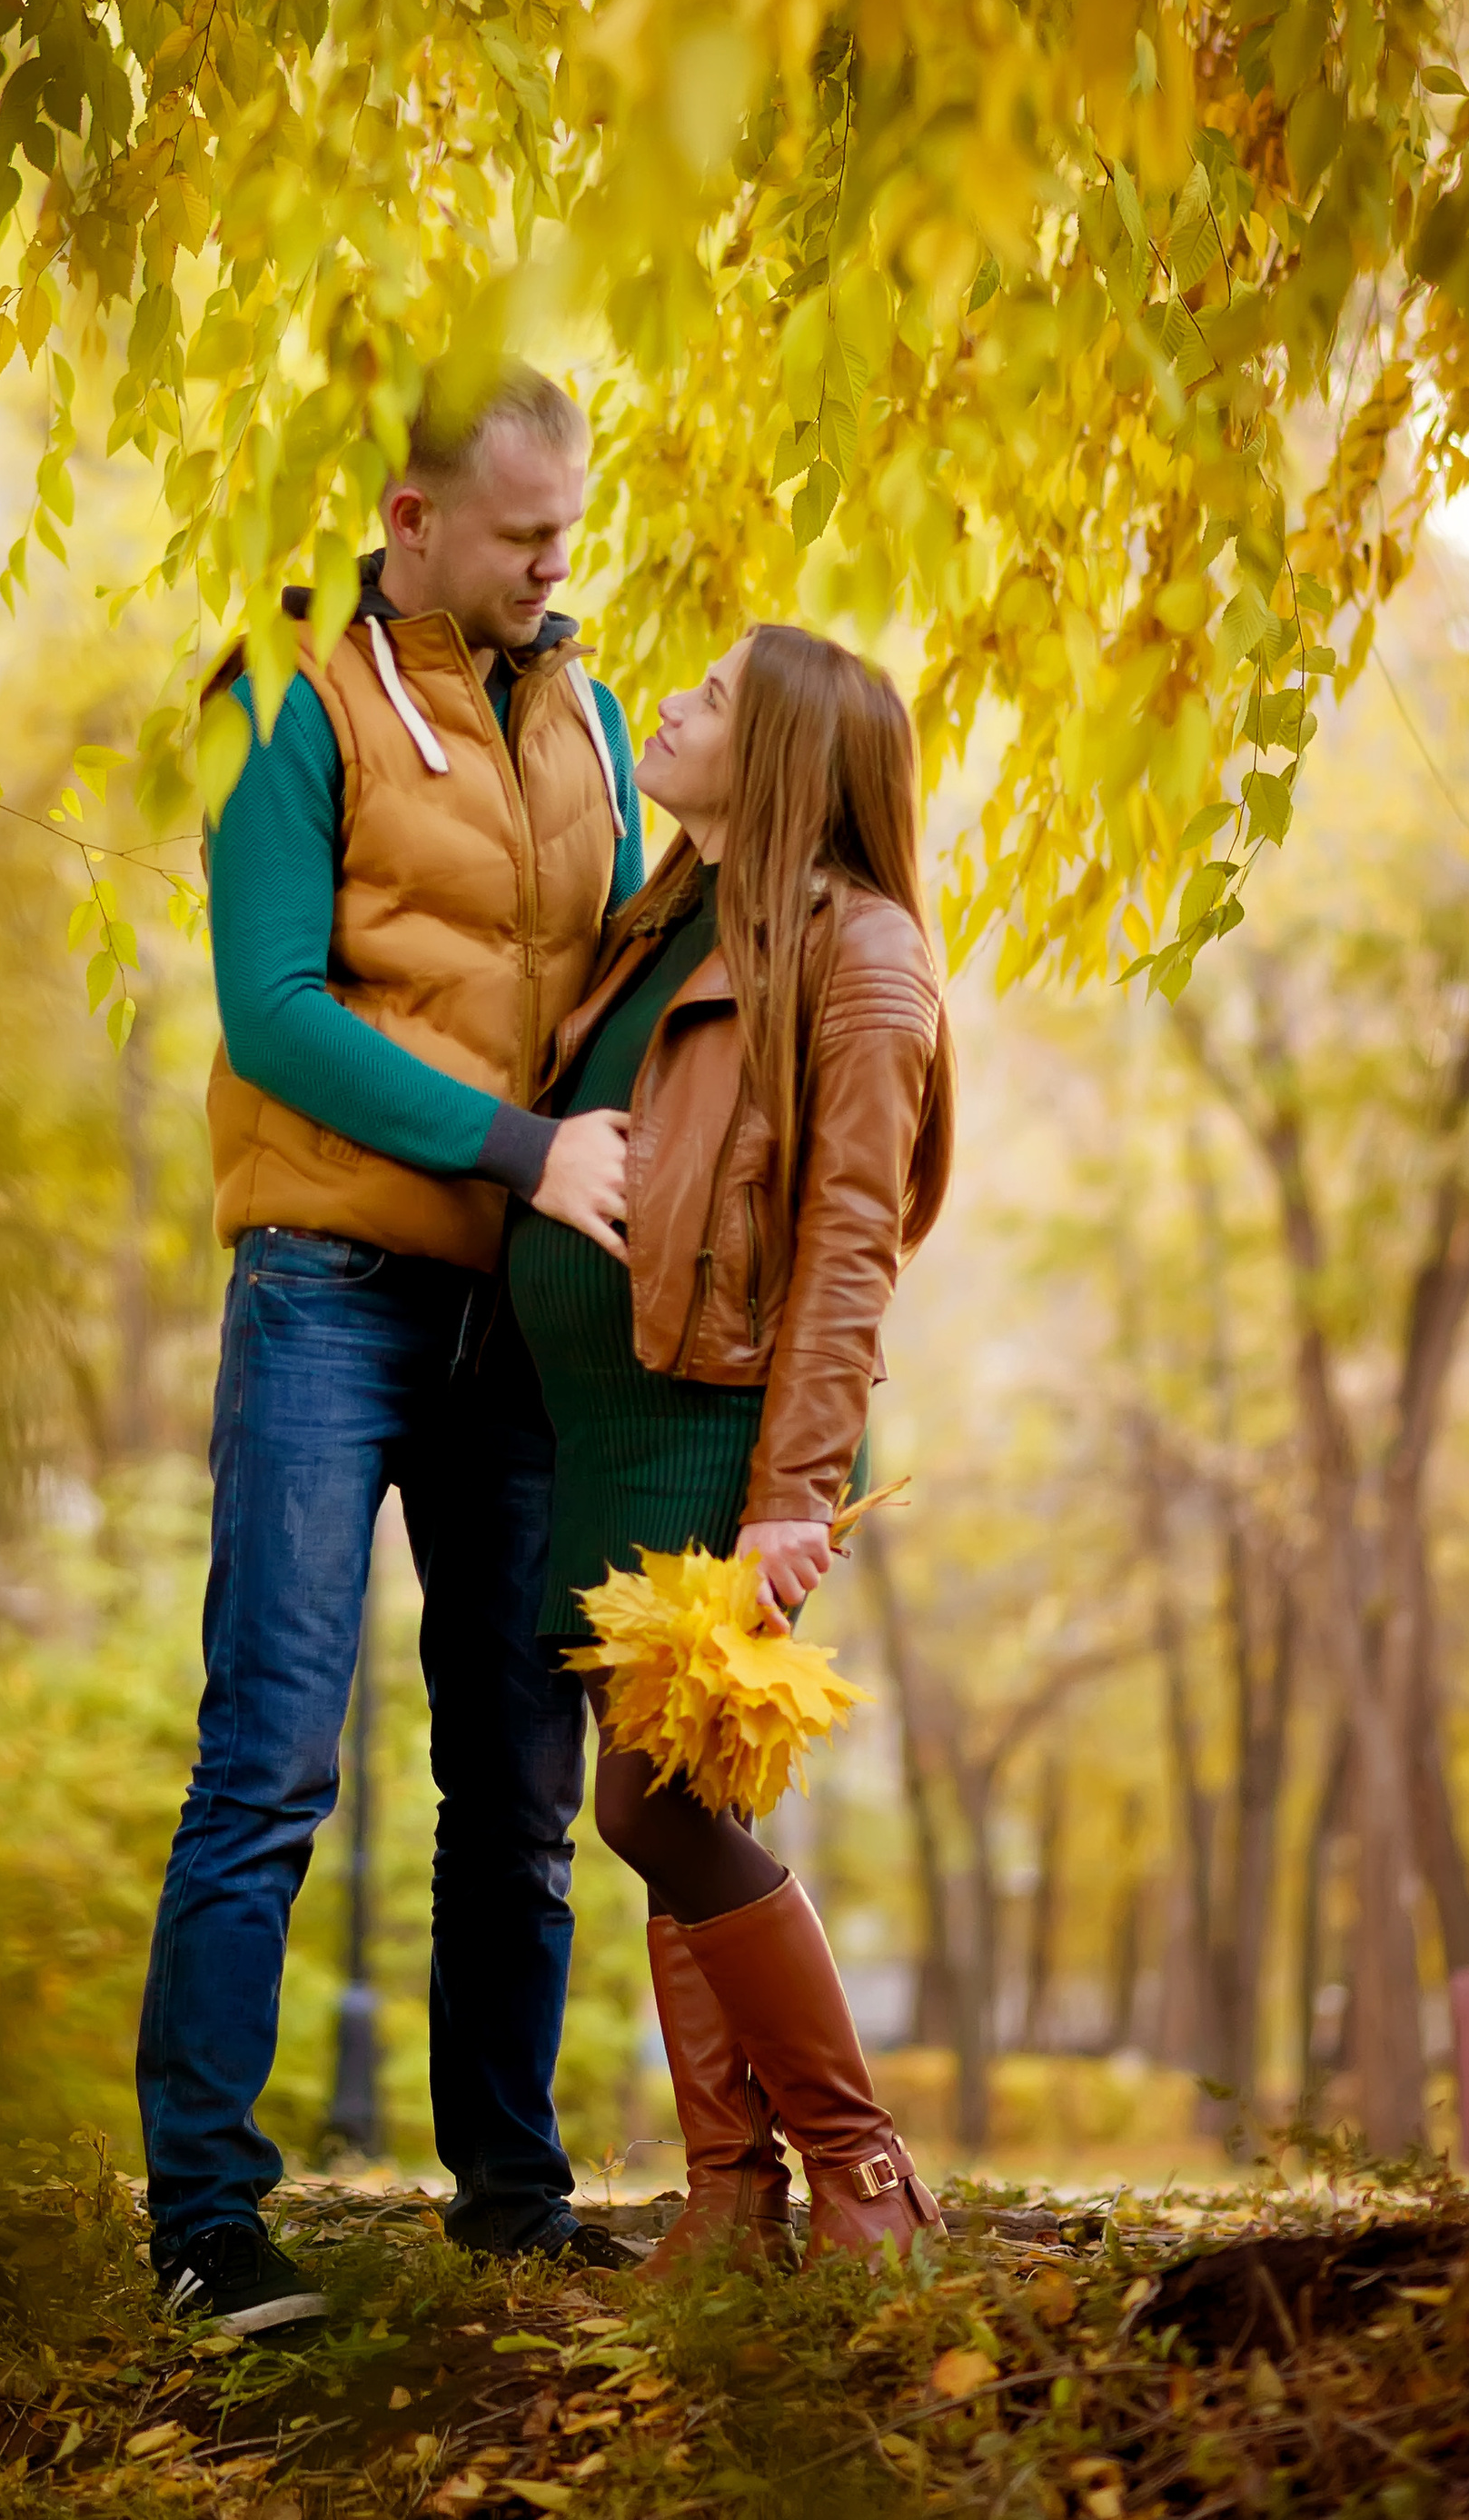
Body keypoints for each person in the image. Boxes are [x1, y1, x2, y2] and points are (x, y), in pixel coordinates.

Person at [136, 364, 648, 2335]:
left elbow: (609, 994)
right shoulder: (274, 694)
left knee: (517, 1780)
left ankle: (508, 2196)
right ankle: (203, 2220)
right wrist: (521, 1147)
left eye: (566, 524)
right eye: (523, 529)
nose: (555, 559)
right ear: (410, 515)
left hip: (515, 1323)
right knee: (268, 1752)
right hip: (326, 1289)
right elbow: (268, 1010)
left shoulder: (587, 714)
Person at [507, 623, 957, 2271]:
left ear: (776, 756)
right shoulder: (667, 918)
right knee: (667, 1800)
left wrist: (794, 1497)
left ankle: (862, 2169)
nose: (670, 704)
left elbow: (852, 1244)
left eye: (708, 697)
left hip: (715, 1444)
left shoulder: (864, 951)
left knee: (646, 1805)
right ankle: (732, 2194)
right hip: (614, 1430)